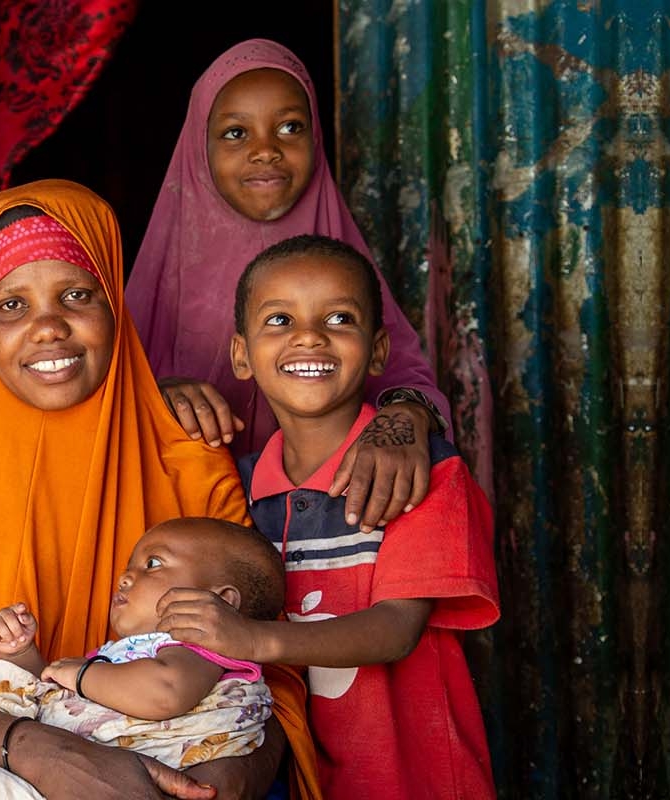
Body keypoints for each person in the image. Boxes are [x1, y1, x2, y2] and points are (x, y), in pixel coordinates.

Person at [0, 180, 320, 800]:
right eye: (11, 305)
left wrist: (220, 780)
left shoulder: (187, 458)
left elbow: (266, 659)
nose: (48, 327)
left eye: (77, 295)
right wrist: (33, 749)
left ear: (115, 303)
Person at [154, 234, 499, 799]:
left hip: (415, 778)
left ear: (379, 350)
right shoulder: (234, 491)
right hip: (295, 777)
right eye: (279, 320)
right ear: (241, 354)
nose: (309, 336)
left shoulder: (426, 472)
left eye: (339, 317)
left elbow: (395, 629)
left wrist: (250, 639)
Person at [125, 38, 451, 534]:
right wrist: (155, 396)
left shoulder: (341, 264)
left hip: (334, 527)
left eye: (290, 127)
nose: (265, 150)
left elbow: (405, 376)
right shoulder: (153, 287)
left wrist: (405, 419)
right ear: (198, 147)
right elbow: (99, 418)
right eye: (235, 132)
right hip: (188, 542)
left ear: (316, 138)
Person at [0, 518, 283, 769]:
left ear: (222, 602)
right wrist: (20, 651)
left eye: (152, 563)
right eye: (129, 565)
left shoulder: (203, 650)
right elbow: (51, 696)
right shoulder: (115, 657)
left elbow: (166, 691)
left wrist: (83, 675)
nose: (124, 576)